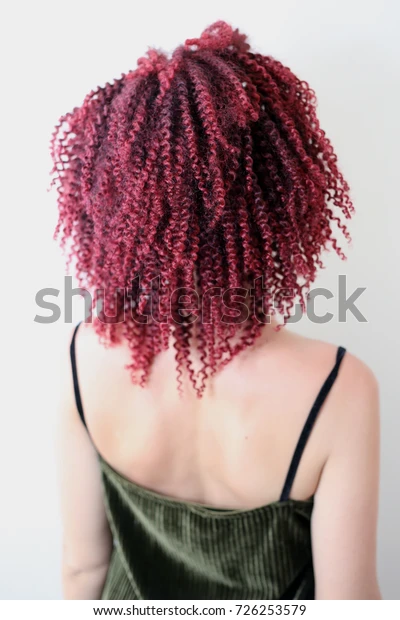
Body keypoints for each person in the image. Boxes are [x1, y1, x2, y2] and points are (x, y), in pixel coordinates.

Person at [52, 21, 381, 600]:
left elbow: (82, 569)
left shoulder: (85, 355)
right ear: (281, 196)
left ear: (121, 200)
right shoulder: (340, 388)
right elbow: (348, 603)